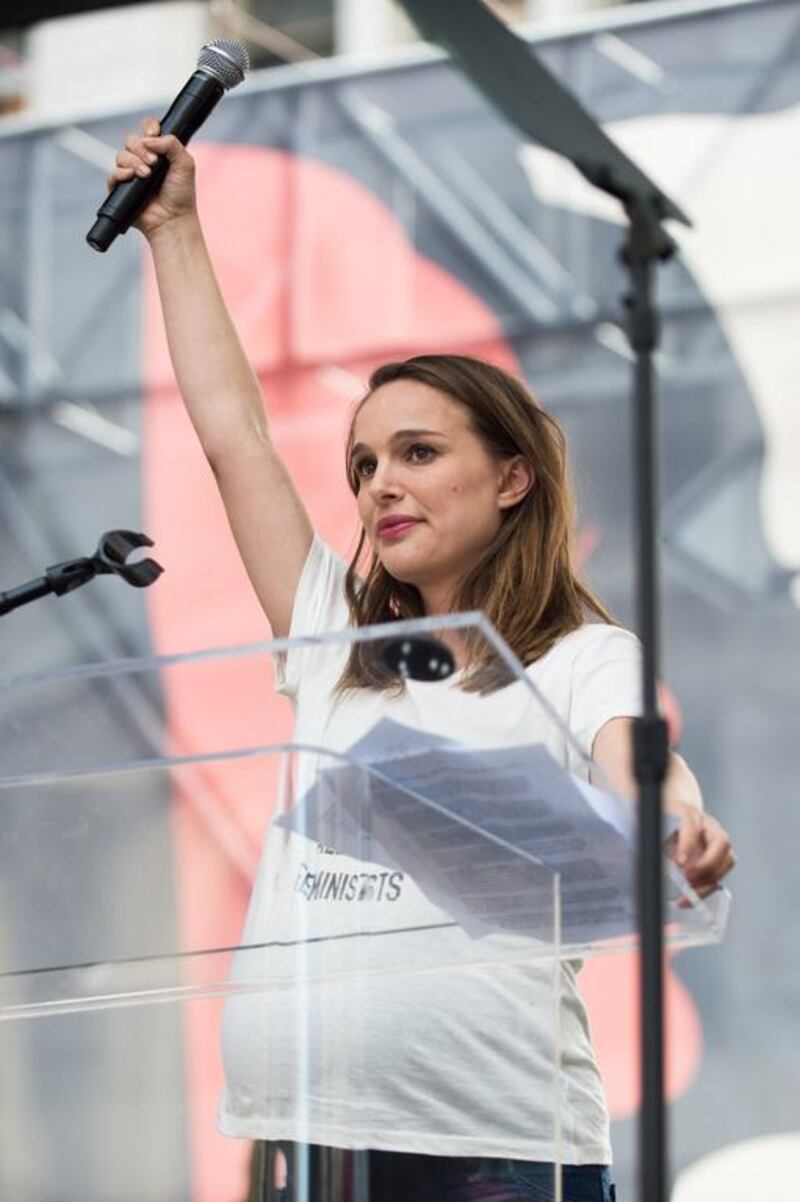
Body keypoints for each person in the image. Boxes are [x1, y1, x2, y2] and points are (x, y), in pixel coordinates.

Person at [109, 119, 736, 1202]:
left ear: (510, 479)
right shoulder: (332, 645)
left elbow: (638, 754)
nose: (378, 486)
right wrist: (173, 230)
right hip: (304, 1138)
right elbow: (234, 434)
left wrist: (672, 814)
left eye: (417, 452)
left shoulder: (581, 654)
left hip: (493, 1153)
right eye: (362, 464)